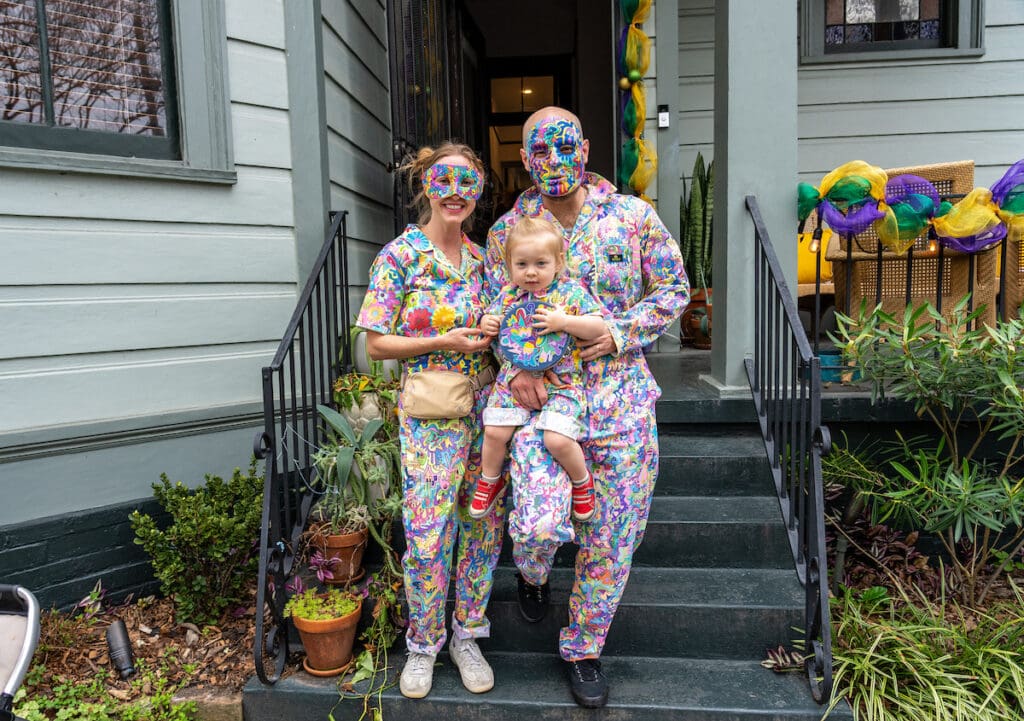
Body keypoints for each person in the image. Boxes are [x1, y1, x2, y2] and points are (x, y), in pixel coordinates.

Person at [484, 107, 690, 708]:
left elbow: (674, 288)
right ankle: (532, 573)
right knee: (536, 524)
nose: (555, 160)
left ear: (587, 148)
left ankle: (583, 647)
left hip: (619, 402)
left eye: (566, 146)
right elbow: (490, 312)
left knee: (613, 533)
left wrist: (619, 330)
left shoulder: (632, 216)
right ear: (525, 159)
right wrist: (516, 369)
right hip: (543, 404)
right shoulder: (505, 232)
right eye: (541, 151)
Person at [356, 143, 504, 700]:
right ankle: (423, 644)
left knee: (483, 525)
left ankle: (468, 636)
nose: (456, 194)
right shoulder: (401, 256)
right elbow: (376, 344)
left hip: (488, 410)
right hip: (430, 414)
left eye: (468, 183)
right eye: (445, 181)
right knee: (426, 533)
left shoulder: (487, 259)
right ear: (426, 185)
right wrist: (443, 339)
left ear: (479, 191)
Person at [469, 216, 605, 523]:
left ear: (558, 263)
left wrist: (565, 322)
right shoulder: (509, 296)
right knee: (495, 431)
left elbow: (598, 327)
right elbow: (492, 323)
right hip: (513, 378)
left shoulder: (570, 294)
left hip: (561, 382)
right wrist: (488, 323)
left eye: (541, 263)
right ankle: (489, 480)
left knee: (556, 439)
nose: (531, 272)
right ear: (509, 265)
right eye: (522, 264)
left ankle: (582, 481)